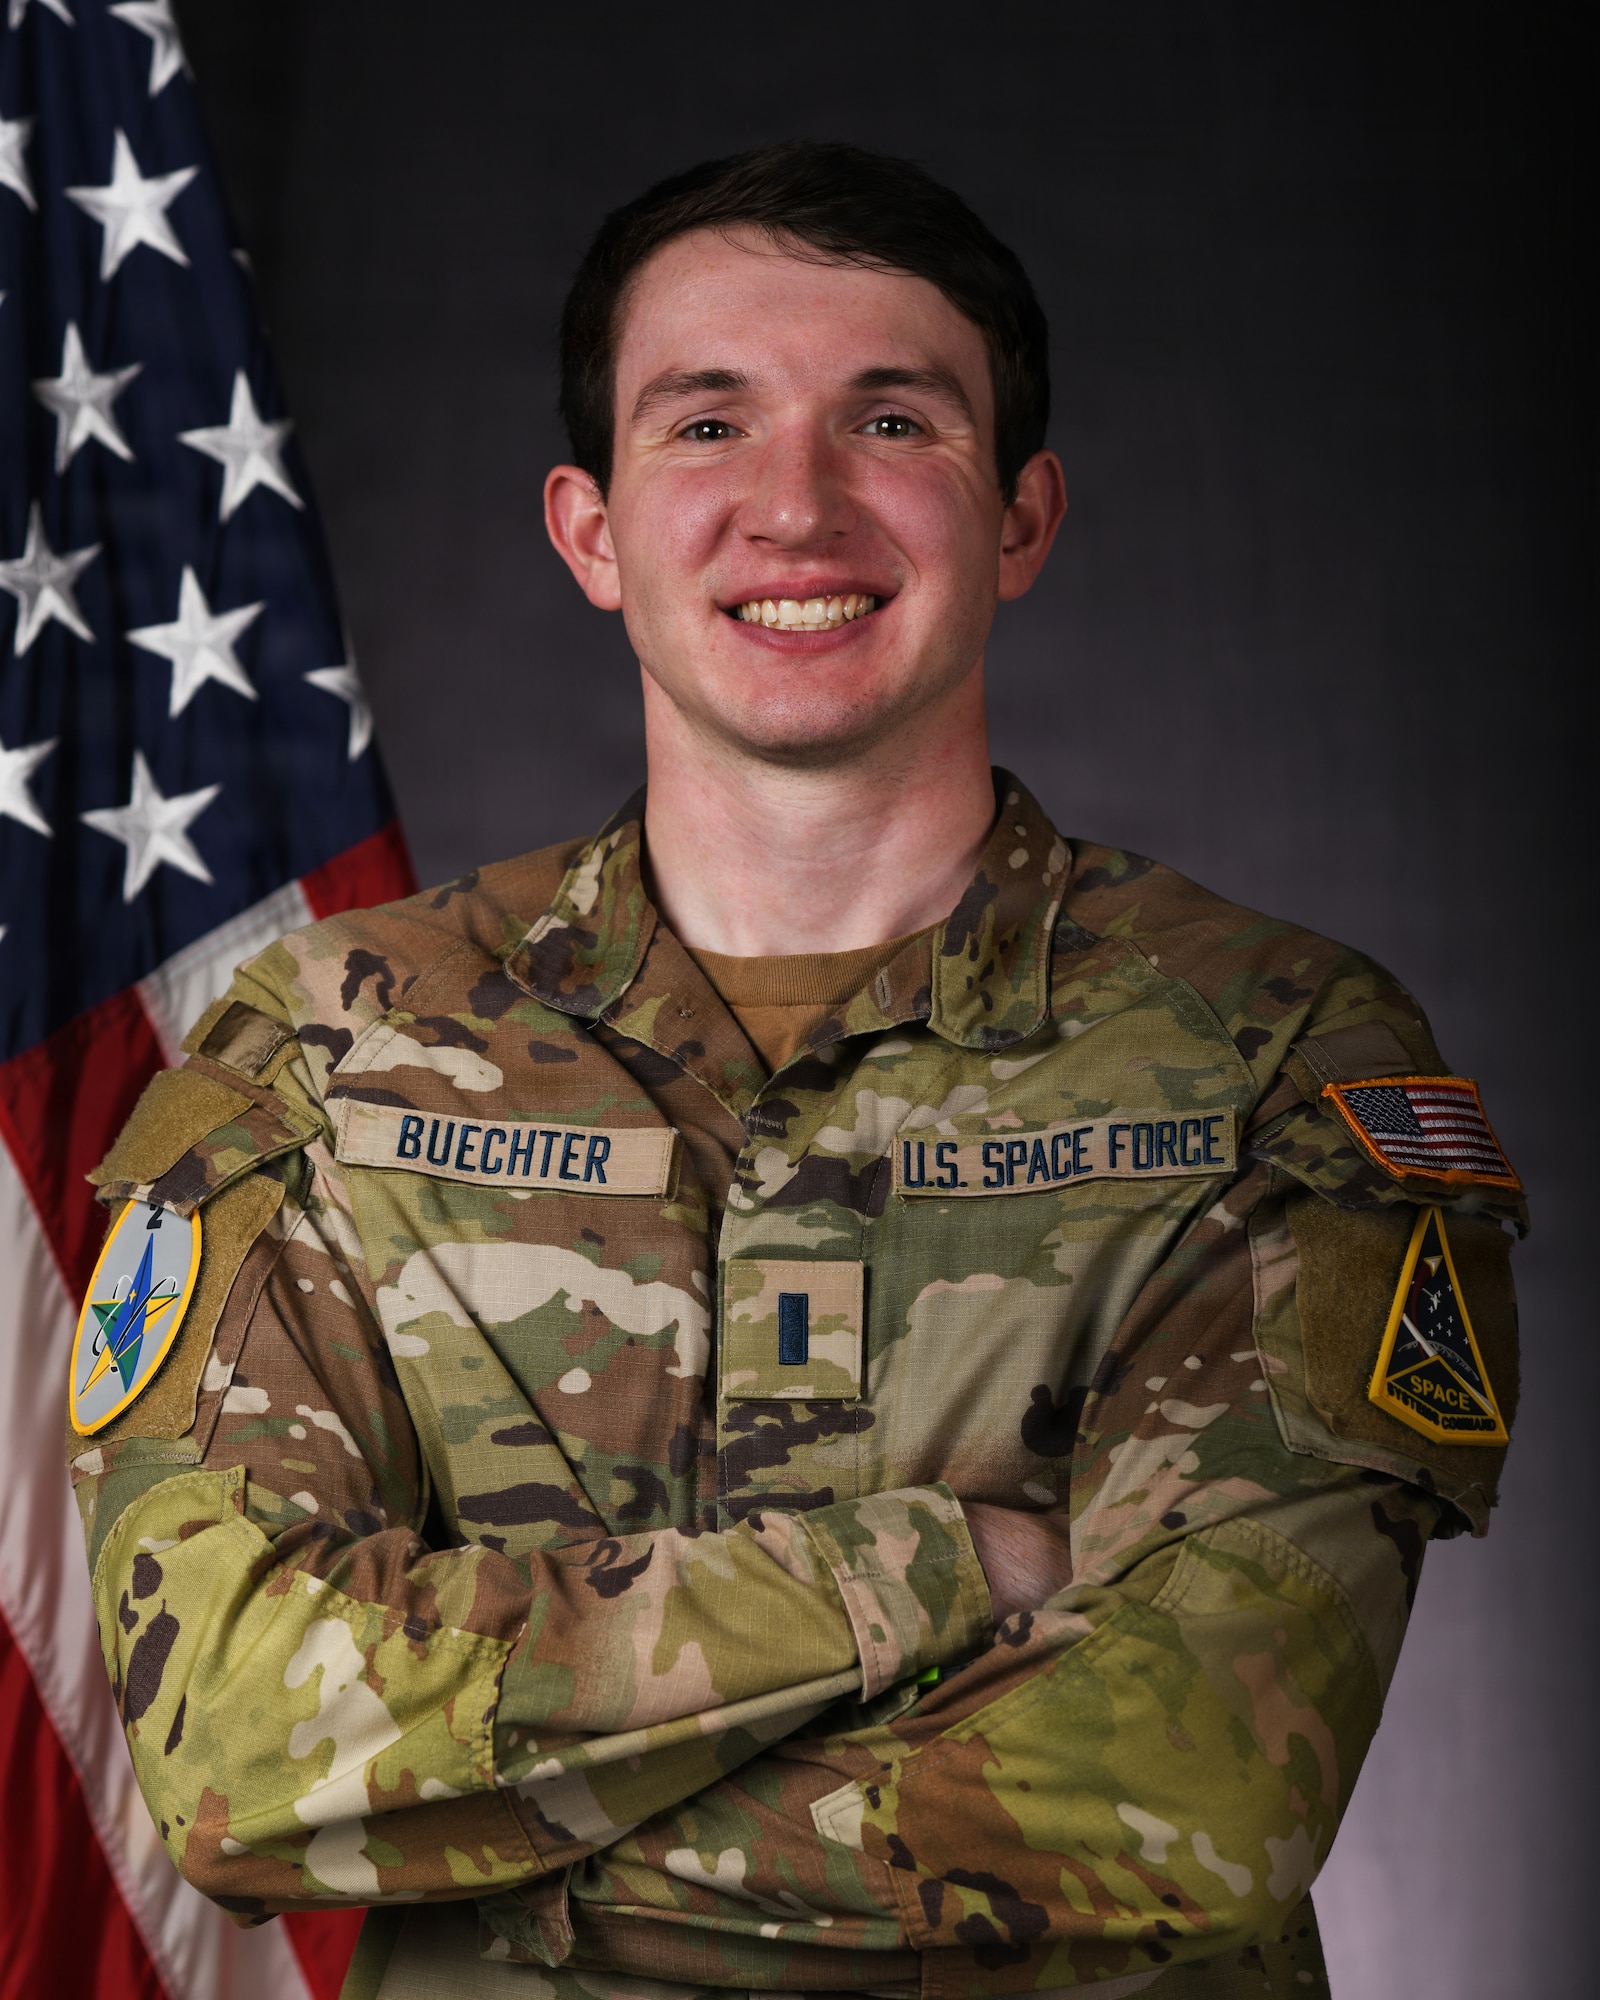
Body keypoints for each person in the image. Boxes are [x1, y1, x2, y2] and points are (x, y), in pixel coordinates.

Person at [69, 143, 1525, 2000]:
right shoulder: (330, 1050)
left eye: (894, 419)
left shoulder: (1275, 1056)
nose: (798, 508)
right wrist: (944, 1568)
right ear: (590, 530)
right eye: (707, 426)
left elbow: (1198, 1790)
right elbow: (237, 1758)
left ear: (1020, 516)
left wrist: (496, 1840)